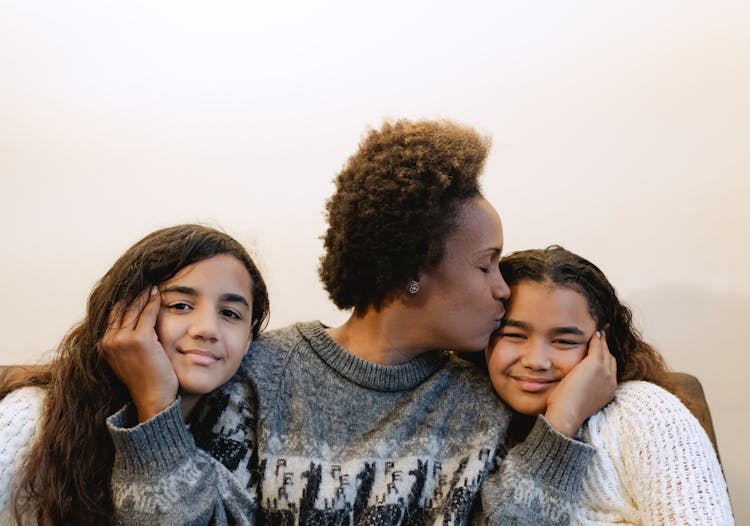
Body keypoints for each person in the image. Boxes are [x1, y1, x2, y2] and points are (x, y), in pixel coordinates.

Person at [105, 119, 617, 525]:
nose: (503, 288)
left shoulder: (480, 398)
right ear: (414, 269)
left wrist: (562, 426)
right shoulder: (263, 373)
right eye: (485, 265)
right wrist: (155, 411)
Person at [0, 224, 269, 526]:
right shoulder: (32, 418)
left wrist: (155, 406)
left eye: (230, 313)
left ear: (248, 340)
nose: (207, 329)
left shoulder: (243, 442)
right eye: (180, 306)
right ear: (125, 315)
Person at [486, 245, 734, 524]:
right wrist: (559, 423)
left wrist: (566, 415)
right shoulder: (471, 423)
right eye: (514, 335)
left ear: (600, 343)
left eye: (564, 341)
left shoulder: (646, 414)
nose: (536, 361)